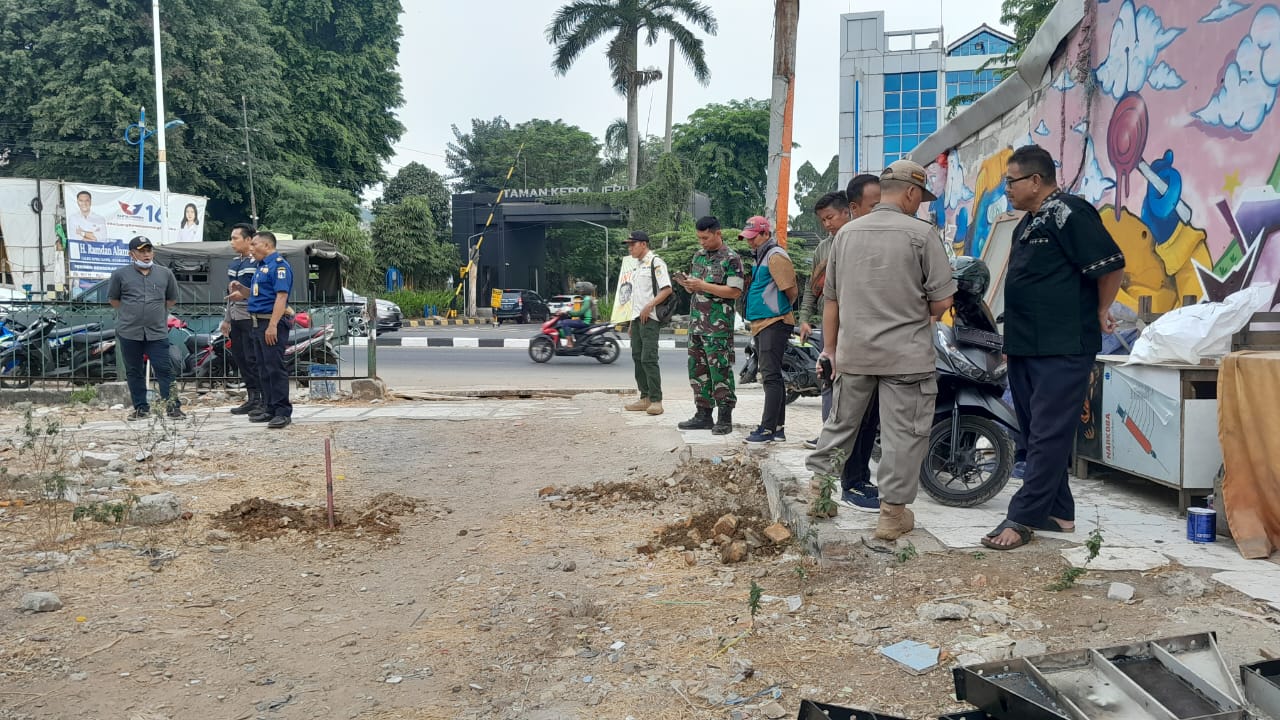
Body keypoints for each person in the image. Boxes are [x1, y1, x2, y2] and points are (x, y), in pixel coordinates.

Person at [982, 145, 1125, 551]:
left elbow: (1111, 264)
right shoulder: (1028, 221)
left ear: (1035, 181)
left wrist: (1100, 309)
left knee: (1048, 432)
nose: (1005, 188)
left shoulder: (1069, 212)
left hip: (1062, 344)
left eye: (1010, 181)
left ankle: (1022, 516)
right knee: (1034, 431)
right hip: (1027, 345)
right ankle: (1059, 511)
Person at [805, 160, 956, 540]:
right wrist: (909, 307)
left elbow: (832, 301)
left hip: (855, 353)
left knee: (841, 425)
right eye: (920, 196)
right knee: (902, 433)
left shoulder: (846, 236)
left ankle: (819, 495)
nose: (919, 203)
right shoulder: (922, 234)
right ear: (910, 192)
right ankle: (891, 516)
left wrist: (831, 350)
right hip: (905, 356)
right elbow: (942, 302)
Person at [677, 216, 745, 435]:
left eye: (705, 238)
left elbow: (734, 292)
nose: (702, 242)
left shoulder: (731, 259)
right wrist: (689, 285)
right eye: (699, 238)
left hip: (718, 326)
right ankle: (703, 414)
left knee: (719, 370)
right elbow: (697, 288)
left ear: (718, 233)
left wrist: (703, 285)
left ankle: (724, 418)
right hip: (696, 323)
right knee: (697, 370)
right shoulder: (698, 256)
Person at [107, 236, 184, 420]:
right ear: (131, 254)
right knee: (134, 371)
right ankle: (141, 408)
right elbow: (114, 300)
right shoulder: (120, 275)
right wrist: (131, 314)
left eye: (148, 250)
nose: (146, 255)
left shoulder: (165, 274)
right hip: (129, 332)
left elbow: (171, 299)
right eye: (141, 251)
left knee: (164, 369)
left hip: (157, 332)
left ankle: (173, 407)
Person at [741, 216, 798, 445]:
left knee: (770, 377)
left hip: (774, 322)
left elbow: (791, 290)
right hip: (764, 322)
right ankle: (777, 428)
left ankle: (767, 429)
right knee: (773, 376)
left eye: (754, 238)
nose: (750, 242)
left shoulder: (775, 256)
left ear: (765, 234)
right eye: (748, 238)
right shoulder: (762, 256)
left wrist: (778, 312)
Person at [243, 231, 294, 429]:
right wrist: (242, 291)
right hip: (257, 323)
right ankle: (270, 407)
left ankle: (282, 411)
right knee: (263, 368)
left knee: (274, 367)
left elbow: (281, 298)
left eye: (254, 244)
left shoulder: (279, 266)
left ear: (266, 245)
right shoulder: (261, 266)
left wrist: (273, 325)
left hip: (270, 323)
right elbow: (261, 295)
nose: (251, 248)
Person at [622, 230, 672, 416]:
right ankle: (645, 397)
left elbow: (666, 289)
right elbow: (637, 296)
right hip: (637, 319)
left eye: (632, 244)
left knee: (648, 358)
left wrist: (649, 306)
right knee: (637, 357)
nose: (630, 248)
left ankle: (656, 400)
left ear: (643, 244)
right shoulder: (636, 266)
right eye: (629, 245)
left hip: (650, 318)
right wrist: (631, 322)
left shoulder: (655, 262)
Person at [219, 223, 261, 415]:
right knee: (241, 359)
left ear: (248, 240)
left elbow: (263, 293)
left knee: (254, 359)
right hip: (236, 317)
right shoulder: (235, 263)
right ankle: (252, 398)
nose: (232, 242)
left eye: (235, 238)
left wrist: (245, 296)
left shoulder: (258, 263)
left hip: (252, 317)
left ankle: (262, 398)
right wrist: (227, 319)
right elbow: (231, 294)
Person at [557, 282, 596, 348]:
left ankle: (569, 343)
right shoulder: (587, 298)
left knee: (565, 323)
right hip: (585, 320)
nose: (578, 290)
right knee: (569, 322)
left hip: (586, 322)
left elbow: (580, 312)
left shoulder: (587, 299)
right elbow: (577, 310)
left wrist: (568, 312)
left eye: (579, 289)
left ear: (584, 290)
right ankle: (574, 342)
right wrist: (568, 310)